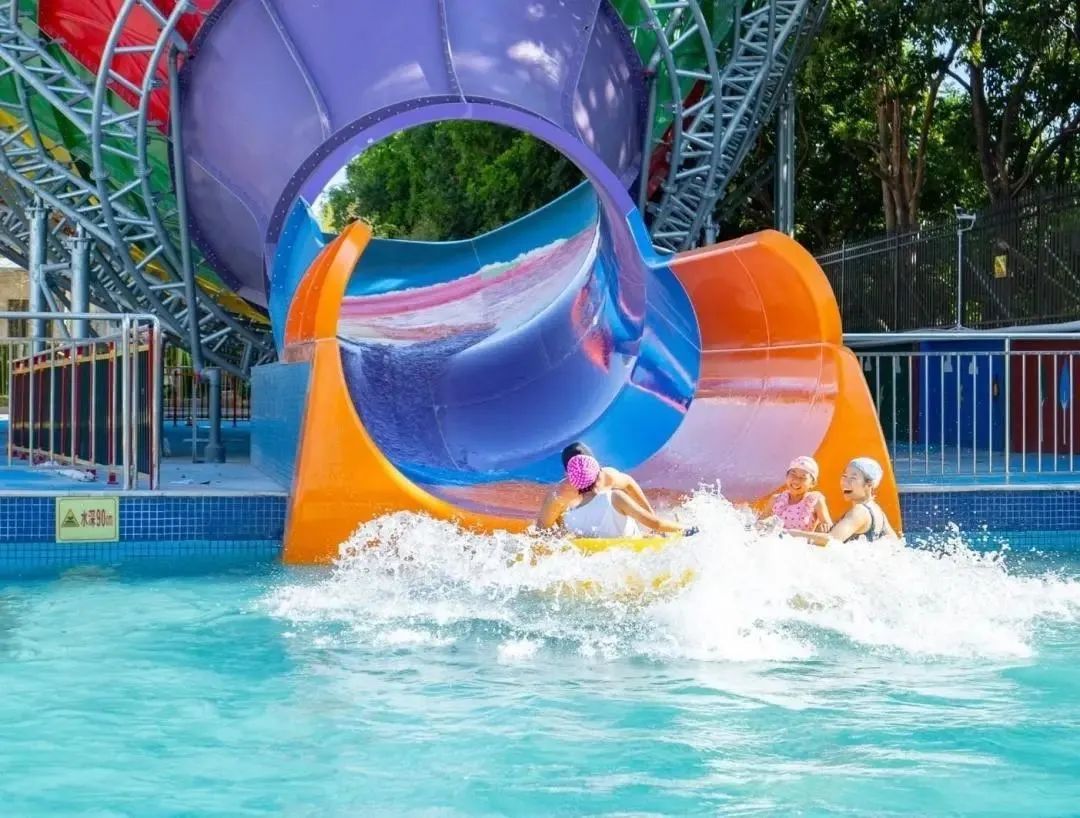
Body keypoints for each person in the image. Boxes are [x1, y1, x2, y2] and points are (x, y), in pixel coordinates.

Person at [557, 453, 694, 538]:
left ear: (573, 483)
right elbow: (655, 524)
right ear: (600, 475)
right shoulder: (614, 498)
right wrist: (686, 529)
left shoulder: (569, 516)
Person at [537, 442, 657, 530]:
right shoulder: (560, 494)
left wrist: (650, 514)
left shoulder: (607, 476)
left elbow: (629, 484)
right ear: (567, 474)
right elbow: (542, 529)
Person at [788, 457, 898, 546]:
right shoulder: (877, 511)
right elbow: (896, 544)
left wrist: (790, 534)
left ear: (869, 484)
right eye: (844, 476)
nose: (845, 482)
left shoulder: (859, 512)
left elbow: (831, 541)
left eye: (853, 478)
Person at [765, 456, 832, 533]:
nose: (796, 481)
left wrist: (823, 528)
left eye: (803, 477)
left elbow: (829, 527)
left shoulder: (815, 502)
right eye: (793, 474)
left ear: (812, 483)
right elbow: (758, 526)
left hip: (801, 540)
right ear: (786, 476)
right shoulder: (776, 499)